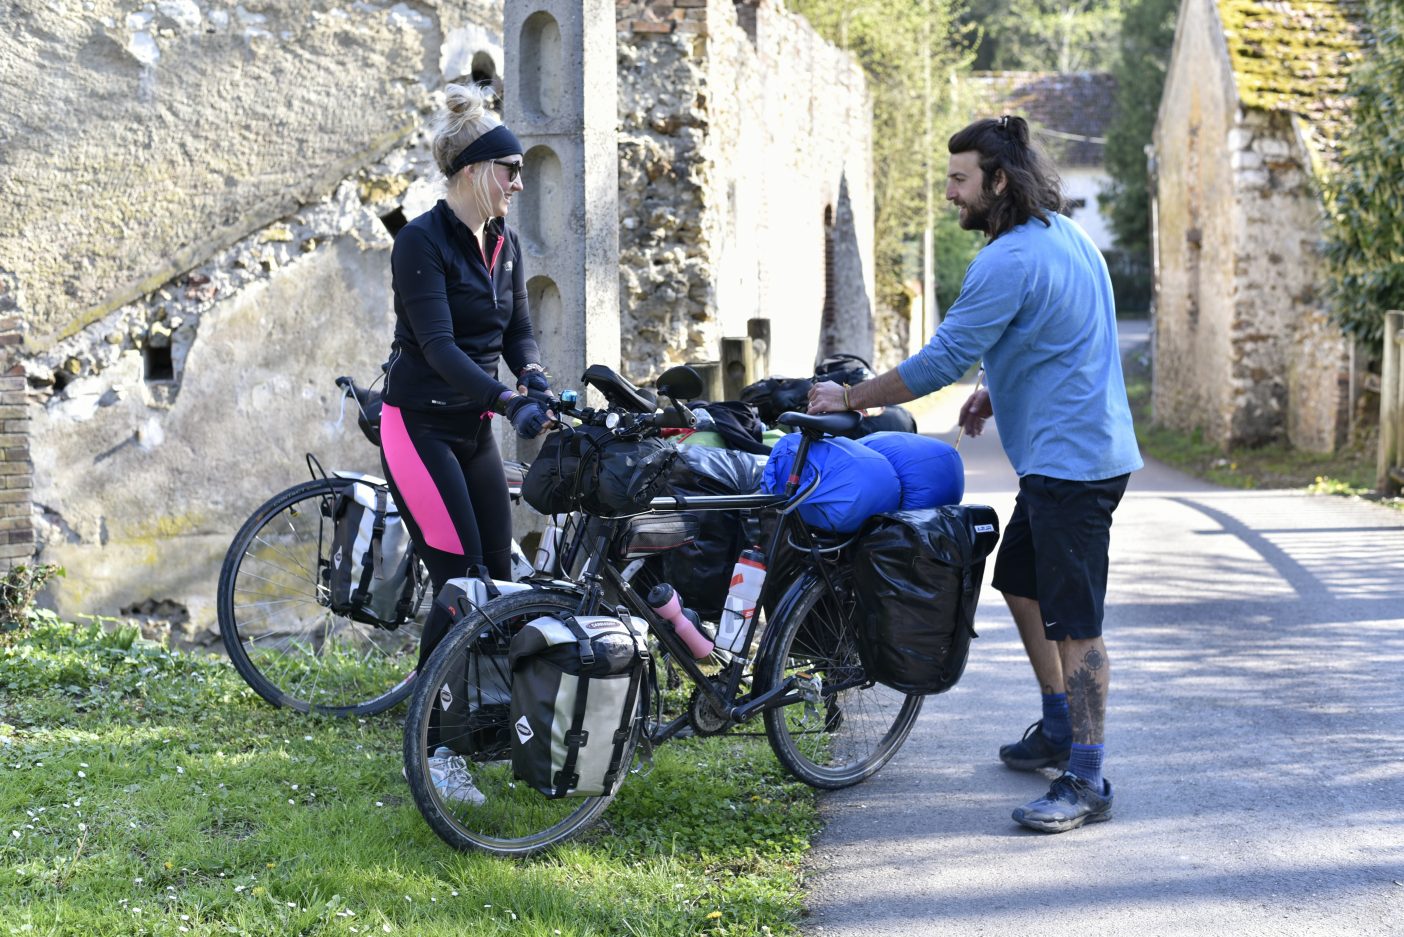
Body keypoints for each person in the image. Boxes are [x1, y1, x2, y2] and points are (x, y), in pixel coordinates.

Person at [808, 115, 1142, 833]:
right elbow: (1067, 330)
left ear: (998, 181)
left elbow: (938, 361)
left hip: (1074, 466)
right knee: (1018, 580)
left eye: (960, 180)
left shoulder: (1007, 259)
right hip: (1076, 454)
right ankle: (1058, 724)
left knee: (1076, 622)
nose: (951, 193)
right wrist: (1000, 384)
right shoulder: (1064, 237)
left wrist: (851, 396)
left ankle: (1086, 775)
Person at [379, 83, 551, 803]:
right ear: (478, 171)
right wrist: (507, 400)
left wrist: (534, 375)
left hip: (475, 426)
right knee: (457, 584)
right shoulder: (420, 242)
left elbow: (513, 329)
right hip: (418, 426)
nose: (518, 181)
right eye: (510, 170)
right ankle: (434, 752)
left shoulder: (502, 242)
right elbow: (441, 348)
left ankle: (478, 723)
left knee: (495, 577)